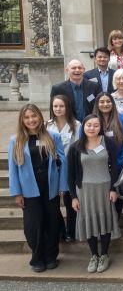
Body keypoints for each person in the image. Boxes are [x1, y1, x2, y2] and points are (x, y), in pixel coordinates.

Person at [9, 104, 67, 272]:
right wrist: (17, 192)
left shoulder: (53, 136)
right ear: (22, 120)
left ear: (40, 117)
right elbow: (13, 169)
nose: (31, 120)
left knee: (52, 222)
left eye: (33, 116)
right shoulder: (16, 140)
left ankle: (51, 256)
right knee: (33, 225)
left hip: (50, 187)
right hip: (29, 190)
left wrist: (63, 185)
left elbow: (62, 162)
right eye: (27, 117)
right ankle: (37, 257)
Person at [67, 114, 120, 273]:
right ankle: (94, 255)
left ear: (100, 127)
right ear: (83, 126)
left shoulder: (108, 143)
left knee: (105, 221)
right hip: (84, 190)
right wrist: (73, 197)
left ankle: (104, 254)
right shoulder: (76, 147)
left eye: (96, 125)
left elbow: (115, 167)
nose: (92, 128)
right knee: (89, 222)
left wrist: (113, 188)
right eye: (89, 125)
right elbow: (70, 175)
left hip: (104, 189)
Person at [47, 95, 81, 243]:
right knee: (53, 202)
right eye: (55, 106)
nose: (58, 109)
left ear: (67, 107)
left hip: (70, 167)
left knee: (69, 201)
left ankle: (71, 231)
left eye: (61, 106)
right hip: (53, 167)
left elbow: (78, 147)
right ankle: (60, 229)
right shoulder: (47, 125)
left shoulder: (76, 124)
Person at [92, 93, 123, 170]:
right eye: (101, 102)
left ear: (113, 103)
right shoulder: (91, 121)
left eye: (108, 101)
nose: (105, 104)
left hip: (119, 164)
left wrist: (120, 162)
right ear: (97, 104)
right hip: (96, 167)